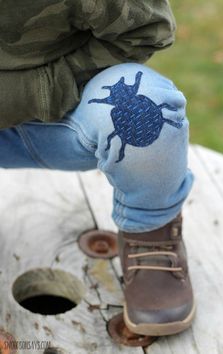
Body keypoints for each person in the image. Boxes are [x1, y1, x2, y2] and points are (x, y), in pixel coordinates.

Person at [0, 0, 195, 335]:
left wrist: (34, 92)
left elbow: (146, 29)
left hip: (71, 113)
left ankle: (151, 234)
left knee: (155, 107)